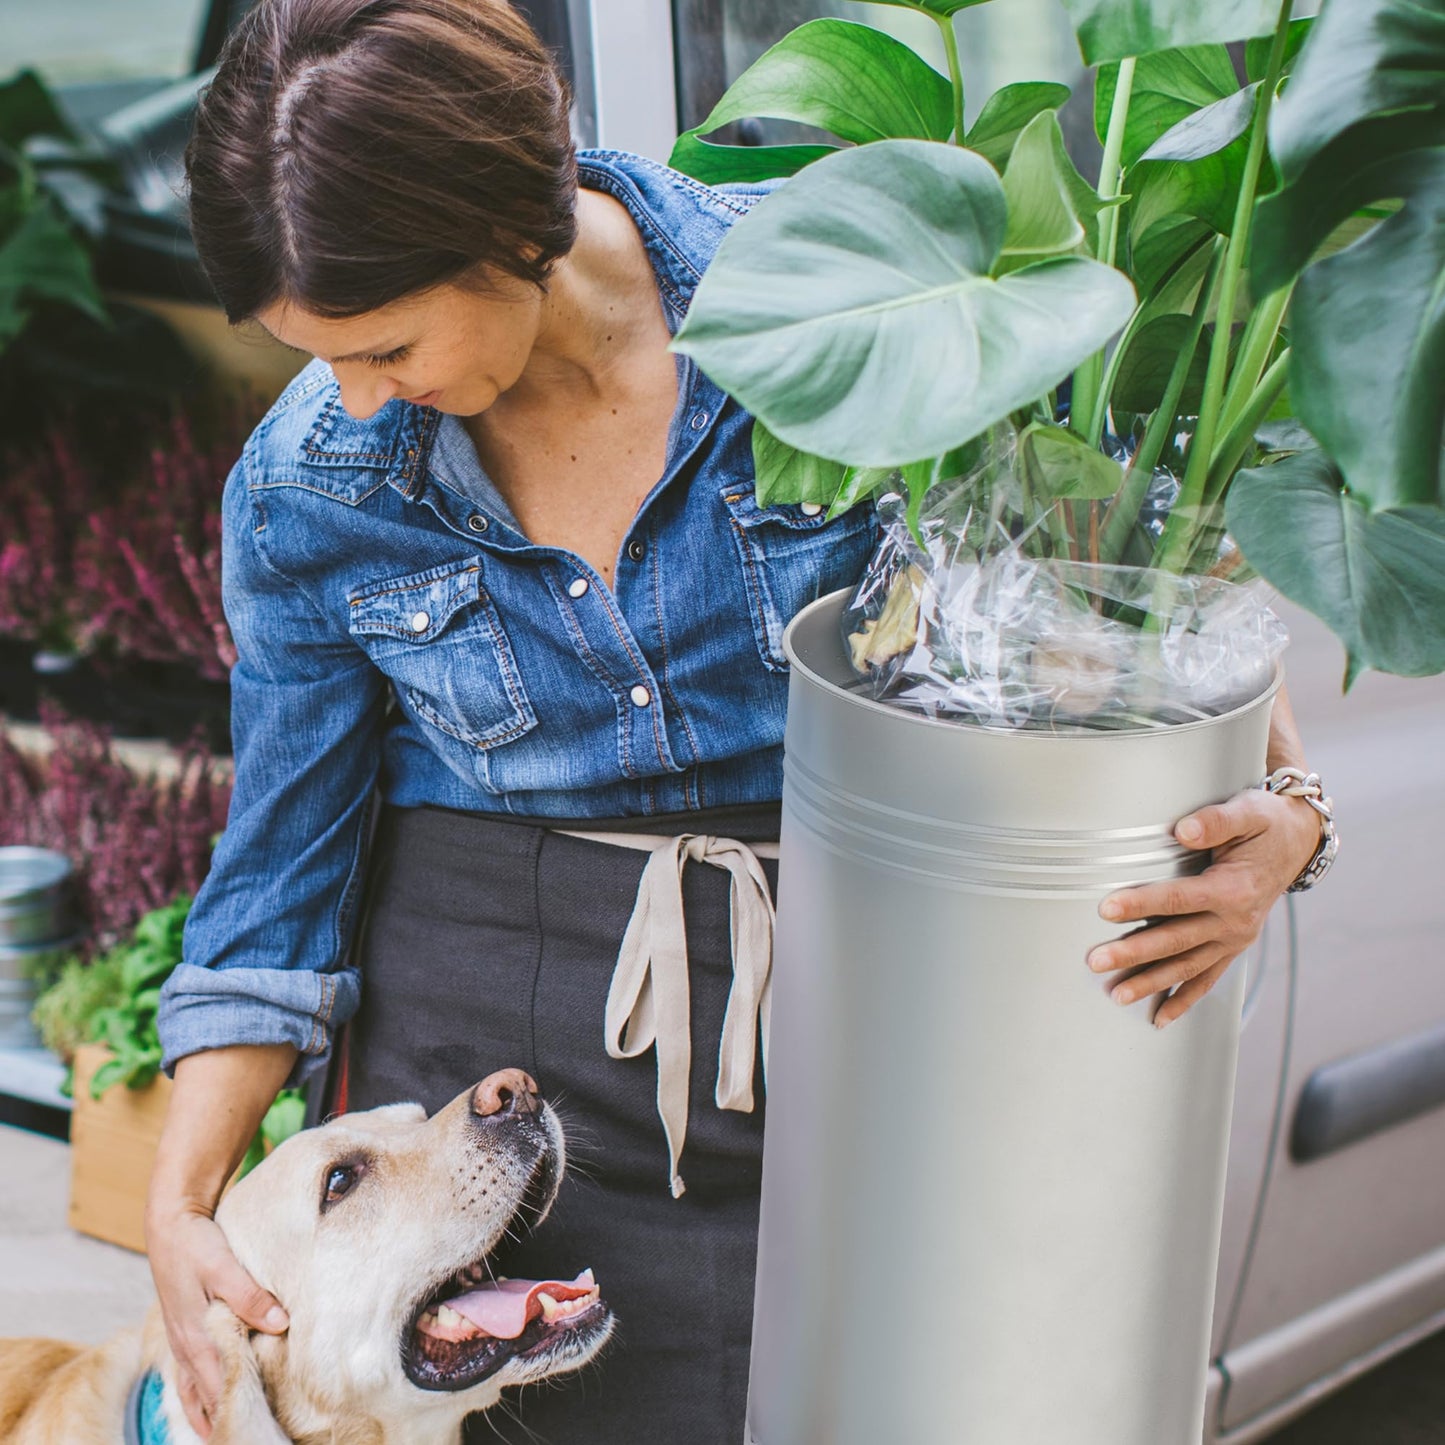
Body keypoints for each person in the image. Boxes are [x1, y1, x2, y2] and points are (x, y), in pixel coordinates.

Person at [146, 1, 1330, 1440]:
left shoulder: (857, 287)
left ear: (501, 226)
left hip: (882, 1031)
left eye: (382, 342)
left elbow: (1129, 591)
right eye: (313, 354)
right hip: (509, 1110)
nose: (349, 397)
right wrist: (181, 1201)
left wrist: (1285, 818)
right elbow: (279, 877)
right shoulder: (309, 485)